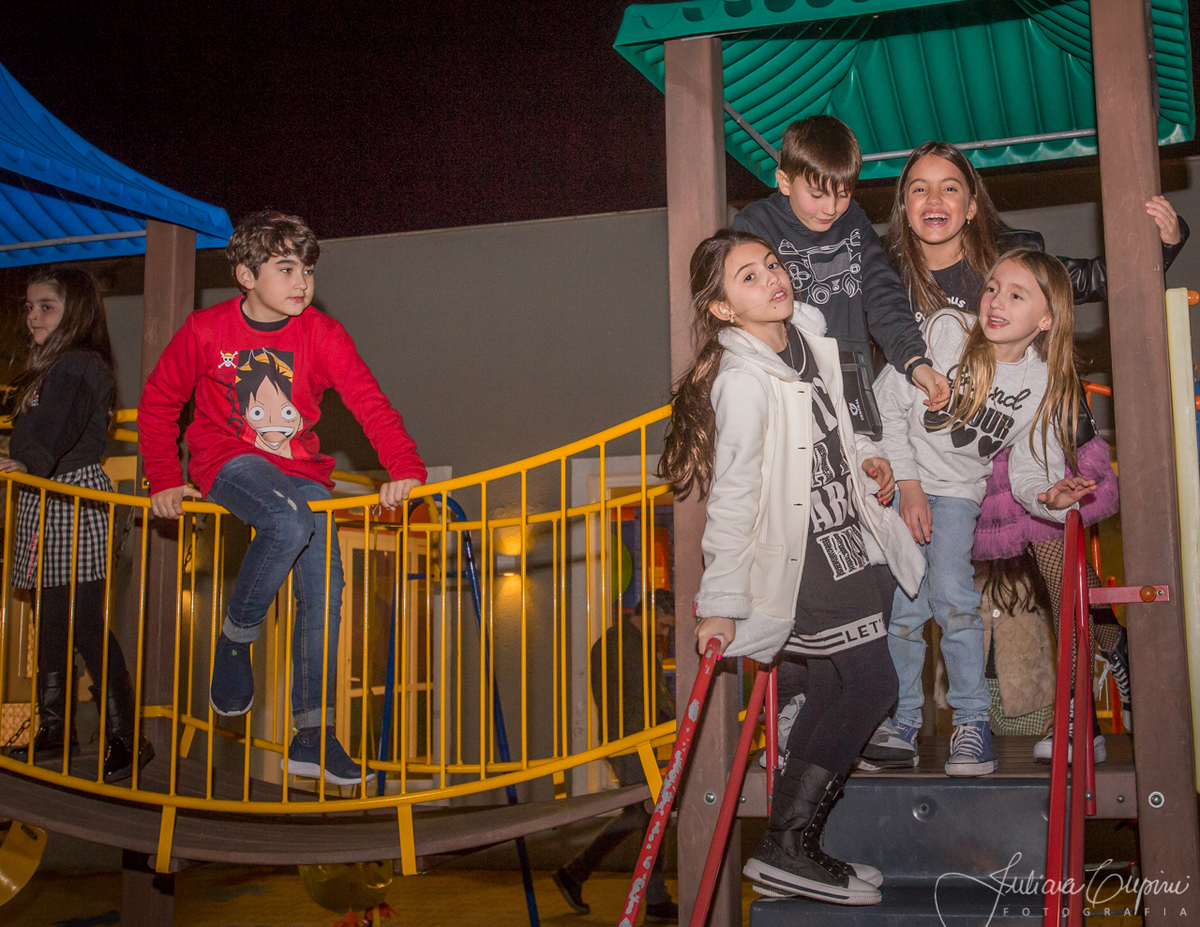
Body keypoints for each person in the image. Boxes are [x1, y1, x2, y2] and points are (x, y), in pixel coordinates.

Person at [864, 141, 1187, 765]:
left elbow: (1087, 280)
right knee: (914, 588)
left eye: (951, 187)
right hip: (930, 446)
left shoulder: (1006, 262)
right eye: (919, 188)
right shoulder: (884, 277)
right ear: (902, 205)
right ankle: (895, 715)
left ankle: (1082, 707)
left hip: (1015, 431)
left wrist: (1168, 244)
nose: (935, 199)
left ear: (972, 202)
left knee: (1059, 566)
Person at [664, 229, 924, 904]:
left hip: (845, 535)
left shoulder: (807, 337)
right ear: (722, 308)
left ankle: (793, 846)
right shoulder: (743, 381)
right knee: (871, 684)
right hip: (804, 556)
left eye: (772, 264)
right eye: (748, 277)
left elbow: (835, 427)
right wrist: (720, 601)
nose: (772, 278)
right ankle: (786, 843)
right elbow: (734, 495)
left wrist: (868, 455)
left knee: (842, 688)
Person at [138, 209, 426, 786]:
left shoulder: (322, 334)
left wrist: (405, 468)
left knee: (325, 592)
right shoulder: (205, 331)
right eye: (286, 269)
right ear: (246, 275)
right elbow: (160, 402)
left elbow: (368, 401)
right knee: (288, 523)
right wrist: (165, 476)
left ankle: (311, 736)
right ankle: (234, 642)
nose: (302, 282)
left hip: (300, 471)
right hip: (229, 461)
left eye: (308, 270)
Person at [874, 250, 1096, 777]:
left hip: (957, 494)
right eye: (992, 287)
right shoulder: (948, 331)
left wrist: (1049, 495)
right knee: (904, 610)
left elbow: (1030, 468)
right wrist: (909, 486)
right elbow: (886, 405)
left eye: (1016, 295)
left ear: (1047, 318)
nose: (995, 301)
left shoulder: (1041, 381)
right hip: (904, 479)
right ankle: (903, 722)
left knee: (954, 598)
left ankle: (972, 724)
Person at [0, 267, 153, 783]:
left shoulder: (80, 365)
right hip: (46, 497)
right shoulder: (52, 368)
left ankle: (127, 736)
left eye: (46, 306)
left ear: (78, 312)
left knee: (83, 620)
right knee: (50, 620)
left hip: (71, 497)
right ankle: (53, 726)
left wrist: (27, 461)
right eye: (29, 307)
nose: (32, 316)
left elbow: (53, 429)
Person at [731, 115, 950, 405]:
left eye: (843, 194)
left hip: (852, 381)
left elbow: (883, 292)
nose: (831, 208)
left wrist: (914, 359)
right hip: (785, 382)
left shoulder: (853, 221)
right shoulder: (756, 225)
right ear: (784, 182)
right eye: (817, 195)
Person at [552, 606, 677, 922]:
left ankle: (576, 873)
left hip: (630, 740)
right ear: (650, 612)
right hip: (630, 742)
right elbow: (645, 694)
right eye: (663, 625)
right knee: (651, 814)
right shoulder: (625, 643)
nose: (664, 633)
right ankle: (655, 900)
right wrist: (681, 718)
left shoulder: (624, 641)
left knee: (641, 814)